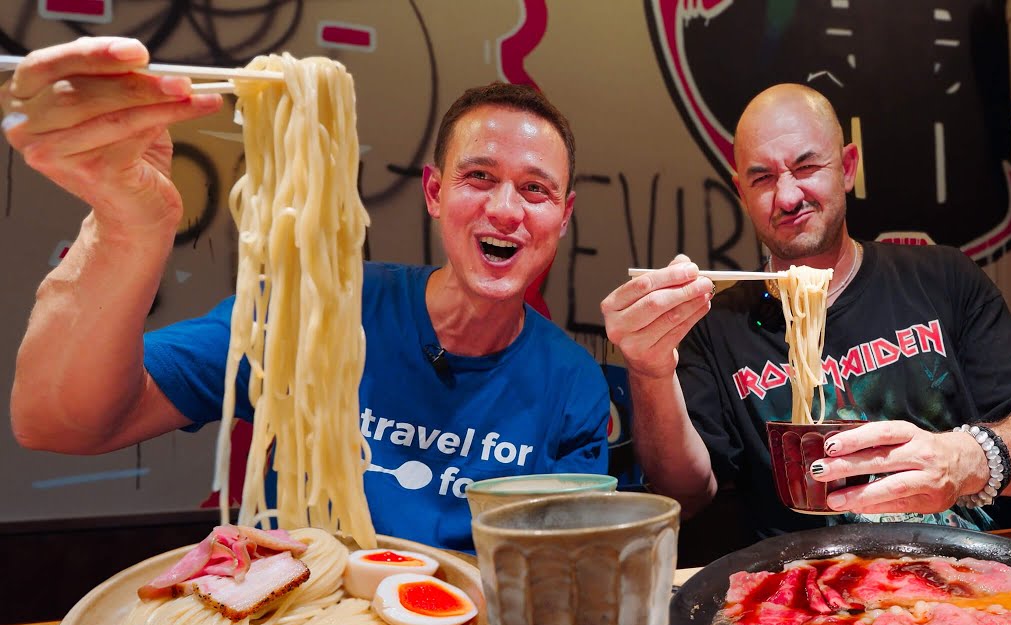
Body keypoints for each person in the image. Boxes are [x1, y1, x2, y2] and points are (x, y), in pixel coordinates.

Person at [4, 37, 608, 551]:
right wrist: (125, 224)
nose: (505, 210)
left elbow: (560, 568)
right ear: (433, 192)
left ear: (563, 215)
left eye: (536, 190)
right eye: (478, 177)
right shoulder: (311, 309)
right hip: (297, 623)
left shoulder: (573, 383)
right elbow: (59, 424)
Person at [602, 83, 1011, 539]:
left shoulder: (943, 278)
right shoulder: (716, 326)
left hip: (964, 570)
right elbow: (684, 495)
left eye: (807, 167)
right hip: (803, 585)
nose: (787, 197)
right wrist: (649, 371)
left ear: (848, 167)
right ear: (741, 192)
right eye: (762, 177)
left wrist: (964, 459)